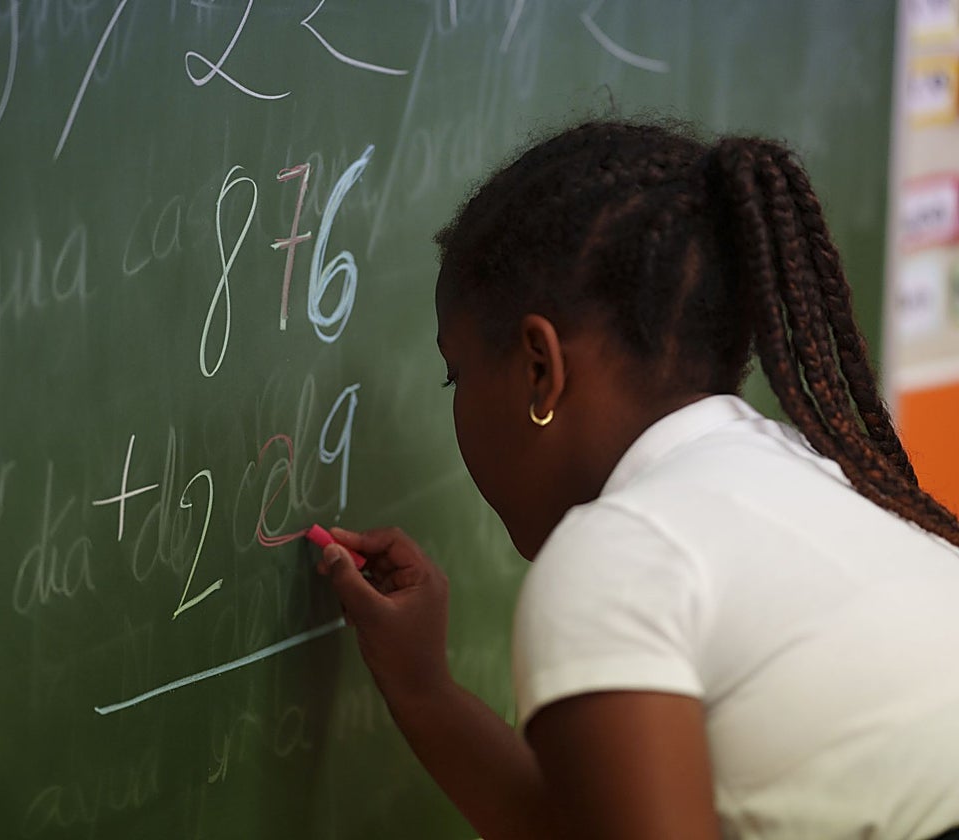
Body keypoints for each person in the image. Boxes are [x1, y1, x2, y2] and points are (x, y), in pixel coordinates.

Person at [314, 121, 959, 840]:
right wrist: (424, 690)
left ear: (539, 368)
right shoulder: (827, 479)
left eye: (454, 374)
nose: (454, 400)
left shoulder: (618, 556)